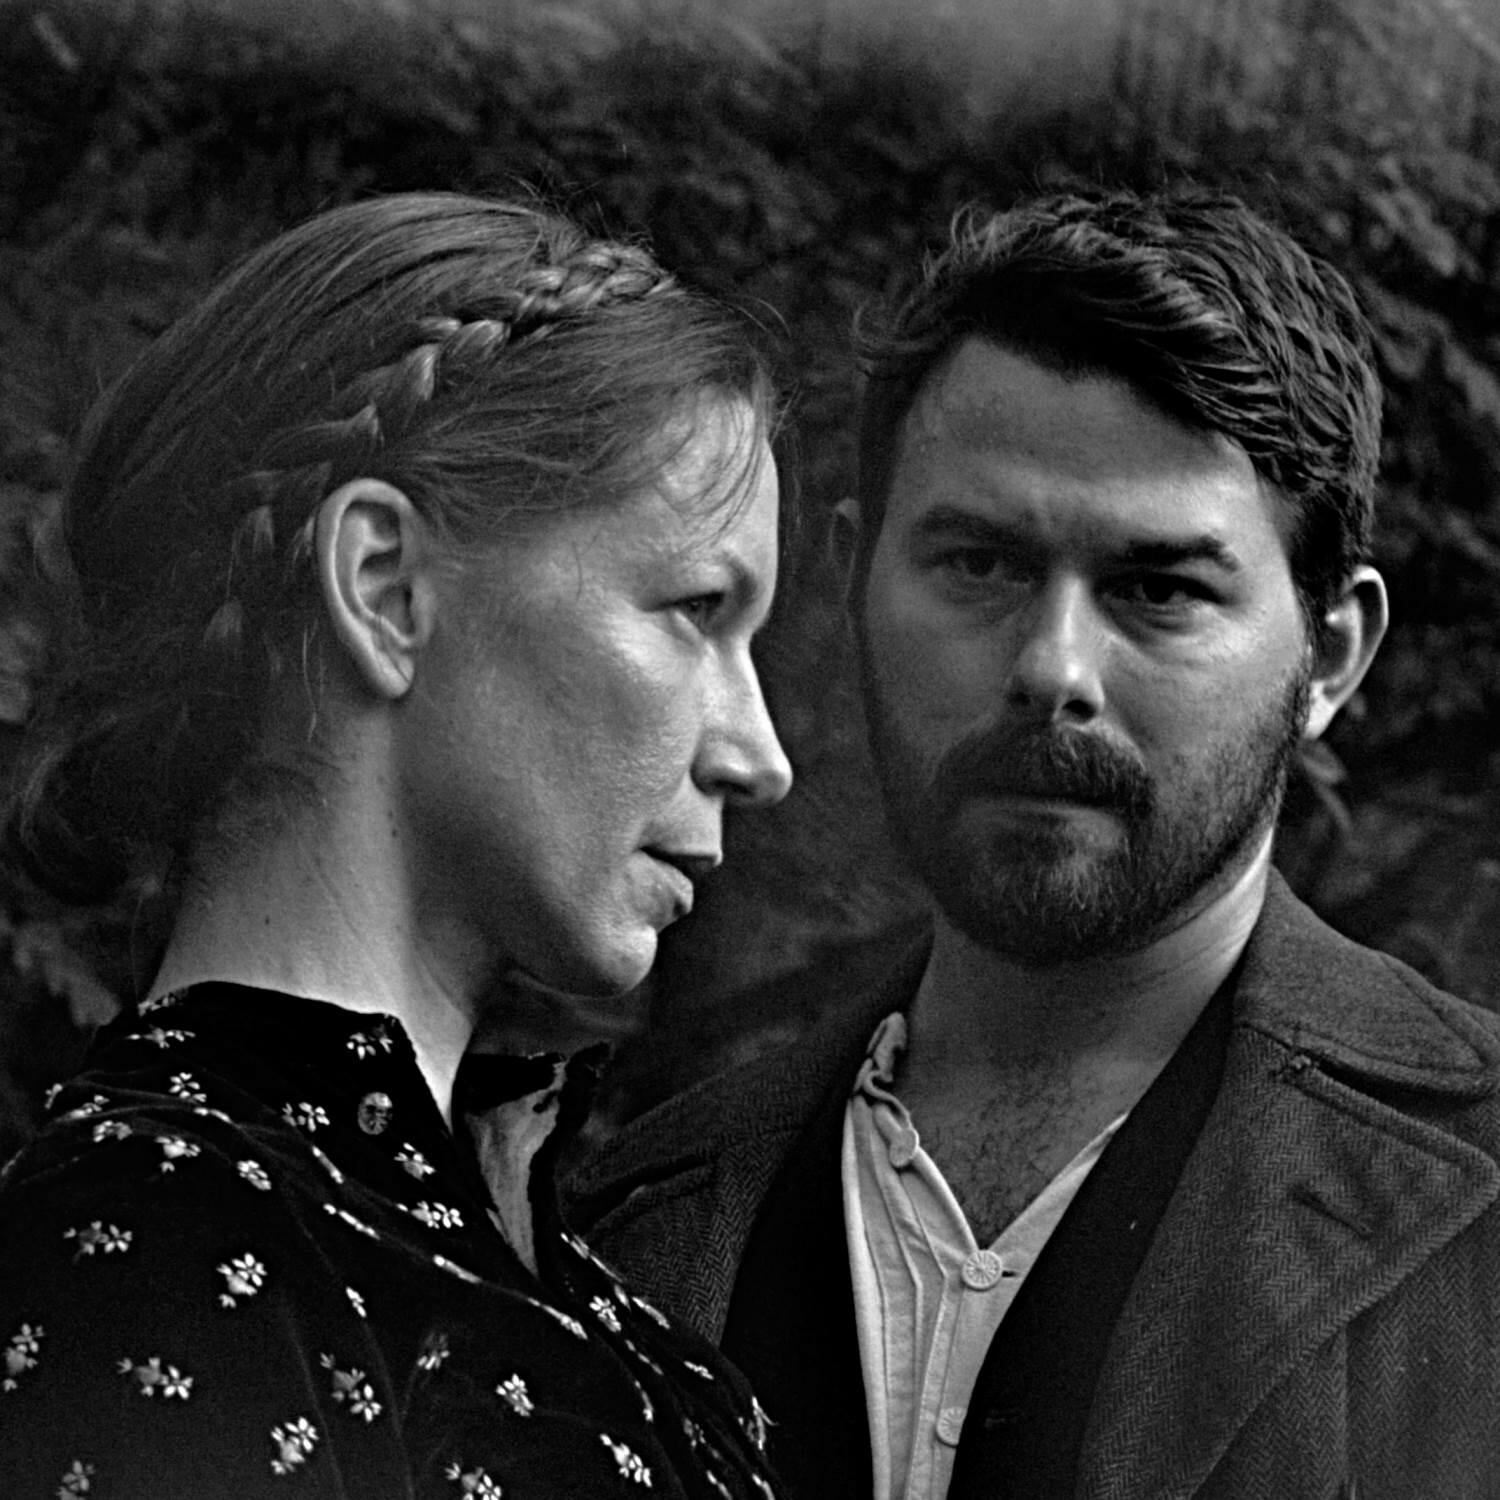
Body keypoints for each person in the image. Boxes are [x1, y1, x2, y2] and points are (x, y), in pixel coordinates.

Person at [568, 188, 1500, 1499]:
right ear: (855, 578)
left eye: (1158, 588)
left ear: (1331, 656)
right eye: (981, 565)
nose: (1053, 668)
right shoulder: (628, 1227)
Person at [0, 190, 795, 1499]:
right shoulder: (150, 1246)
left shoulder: (617, 1324)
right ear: (386, 588)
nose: (759, 755)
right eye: (696, 608)